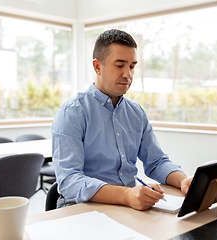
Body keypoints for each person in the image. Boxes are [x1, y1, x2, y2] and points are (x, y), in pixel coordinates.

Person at [52, 29, 192, 210]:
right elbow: (69, 180)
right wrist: (126, 195)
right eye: (120, 65)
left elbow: (157, 162)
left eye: (132, 66)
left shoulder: (136, 113)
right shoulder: (72, 112)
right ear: (97, 67)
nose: (128, 74)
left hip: (127, 205)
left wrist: (184, 180)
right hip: (82, 207)